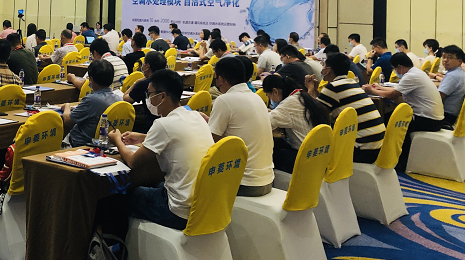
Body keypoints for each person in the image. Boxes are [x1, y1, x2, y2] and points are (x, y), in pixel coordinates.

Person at [108, 69, 214, 231]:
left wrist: (117, 140)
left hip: (178, 212)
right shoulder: (195, 116)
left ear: (162, 96)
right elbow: (176, 136)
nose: (148, 99)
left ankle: (112, 243)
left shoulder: (163, 124)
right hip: (203, 204)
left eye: (150, 94)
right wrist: (143, 137)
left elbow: (133, 161)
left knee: (117, 196)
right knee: (155, 183)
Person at [363, 53, 444, 171]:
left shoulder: (411, 76)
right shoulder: (416, 72)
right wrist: (379, 88)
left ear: (400, 67)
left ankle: (400, 160)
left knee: (393, 123)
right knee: (390, 117)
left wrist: (371, 90)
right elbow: (398, 89)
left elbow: (392, 95)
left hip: (427, 120)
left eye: (394, 69)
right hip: (433, 118)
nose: (395, 72)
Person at [207, 57, 275, 196]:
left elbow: (210, 142)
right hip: (266, 179)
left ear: (220, 79)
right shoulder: (257, 98)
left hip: (244, 183)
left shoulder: (224, 100)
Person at [307, 53, 384, 164]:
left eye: (324, 66)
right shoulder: (352, 83)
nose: (322, 69)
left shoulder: (333, 87)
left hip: (362, 150)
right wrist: (315, 90)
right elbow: (322, 104)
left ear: (328, 70)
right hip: (377, 146)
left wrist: (310, 90)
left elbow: (315, 112)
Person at [264, 75, 329, 173]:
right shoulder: (301, 96)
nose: (270, 99)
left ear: (275, 91)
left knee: (270, 151)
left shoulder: (289, 104)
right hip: (320, 154)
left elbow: (264, 124)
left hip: (306, 159)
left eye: (269, 96)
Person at [62, 60, 122, 147]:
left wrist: (67, 106)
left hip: (82, 145)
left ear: (91, 79)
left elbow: (67, 121)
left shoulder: (91, 100)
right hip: (108, 144)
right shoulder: (119, 99)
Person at [123, 51, 166, 132]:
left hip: (151, 126)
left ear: (147, 67)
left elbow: (126, 99)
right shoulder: (169, 79)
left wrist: (136, 83)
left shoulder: (145, 84)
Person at [431, 45, 465, 124]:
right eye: (444, 57)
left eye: (450, 58)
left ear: (459, 61)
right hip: (454, 115)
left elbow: (438, 98)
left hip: (445, 117)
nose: (445, 60)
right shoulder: (460, 73)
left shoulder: (452, 75)